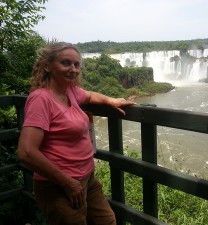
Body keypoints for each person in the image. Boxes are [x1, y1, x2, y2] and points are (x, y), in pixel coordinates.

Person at [17, 42, 136, 225]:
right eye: (66, 63)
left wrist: (110, 100)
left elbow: (89, 96)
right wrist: (68, 183)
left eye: (76, 64)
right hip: (59, 185)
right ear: (47, 66)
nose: (73, 69)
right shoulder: (41, 99)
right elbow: (26, 152)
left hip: (87, 178)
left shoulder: (70, 92)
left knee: (107, 221)